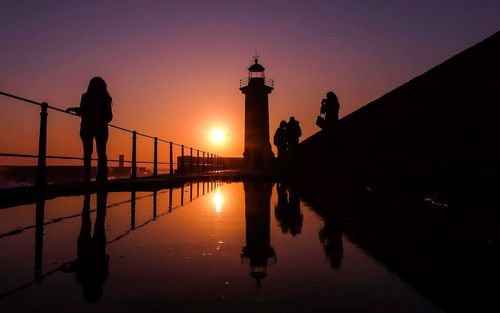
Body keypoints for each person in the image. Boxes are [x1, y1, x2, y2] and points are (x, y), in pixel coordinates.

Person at [67, 77, 113, 182]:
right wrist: (101, 120)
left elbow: (82, 111)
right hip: (98, 128)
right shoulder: (104, 98)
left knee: (89, 152)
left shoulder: (87, 97)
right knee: (100, 152)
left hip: (89, 127)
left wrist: (74, 110)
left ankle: (89, 178)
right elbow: (109, 116)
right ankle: (100, 178)